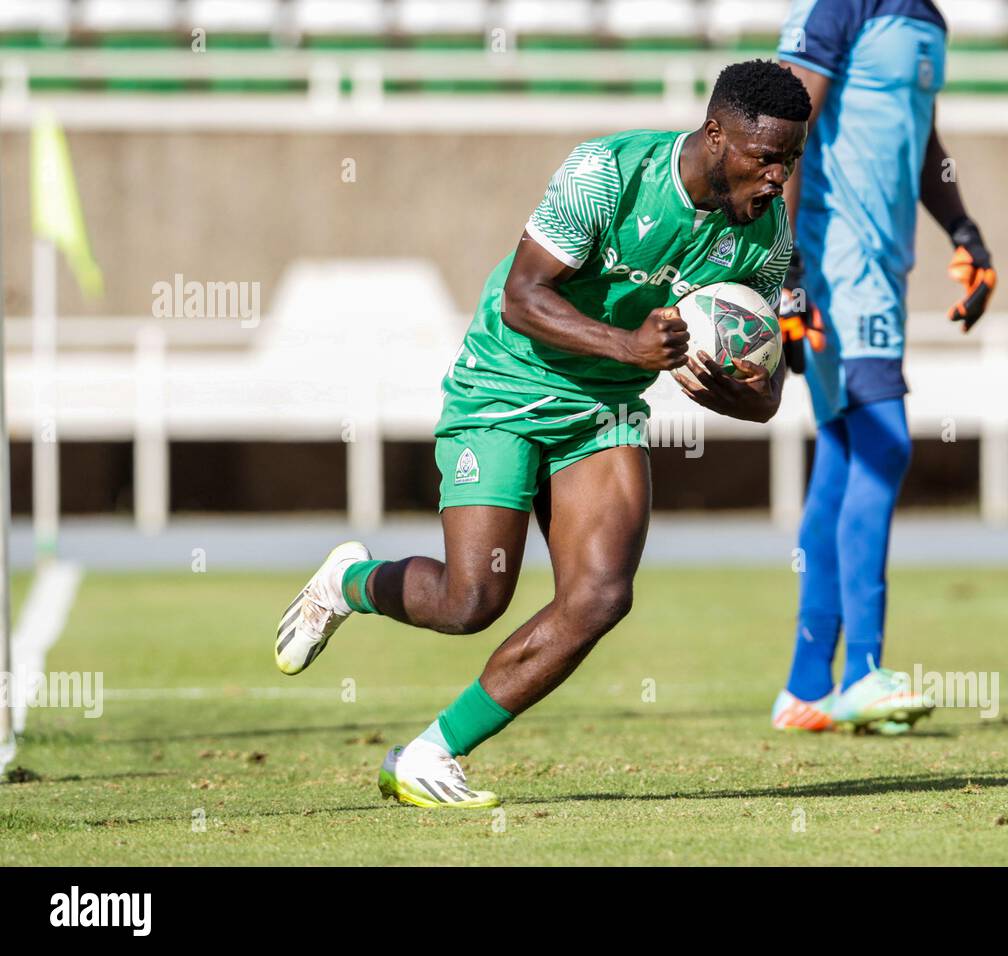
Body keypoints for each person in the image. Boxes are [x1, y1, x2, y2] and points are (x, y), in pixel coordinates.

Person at [273, 60, 810, 807]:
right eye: (766, 159)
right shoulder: (606, 172)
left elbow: (768, 395)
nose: (779, 177)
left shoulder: (765, 235)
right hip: (505, 387)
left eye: (790, 159)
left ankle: (429, 754)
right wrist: (629, 347)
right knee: (472, 601)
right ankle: (349, 582)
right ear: (716, 135)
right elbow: (522, 296)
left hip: (605, 409)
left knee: (599, 596)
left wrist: (735, 392)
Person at [771, 0, 997, 733]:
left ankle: (808, 687)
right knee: (884, 443)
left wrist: (963, 228)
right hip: (835, 259)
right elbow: (784, 125)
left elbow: (920, 138)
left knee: (843, 457)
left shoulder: (928, 20)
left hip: (887, 266)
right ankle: (862, 671)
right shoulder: (841, 6)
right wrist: (788, 268)